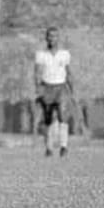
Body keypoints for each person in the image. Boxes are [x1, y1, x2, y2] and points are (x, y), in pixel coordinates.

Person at [34, 27, 74, 157]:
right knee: (48, 119)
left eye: (55, 36)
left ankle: (64, 146)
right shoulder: (41, 55)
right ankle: (49, 148)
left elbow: (69, 72)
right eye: (50, 36)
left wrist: (72, 89)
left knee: (63, 116)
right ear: (46, 38)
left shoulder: (65, 54)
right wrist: (38, 88)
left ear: (58, 38)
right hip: (47, 87)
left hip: (61, 87)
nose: (52, 38)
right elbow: (37, 72)